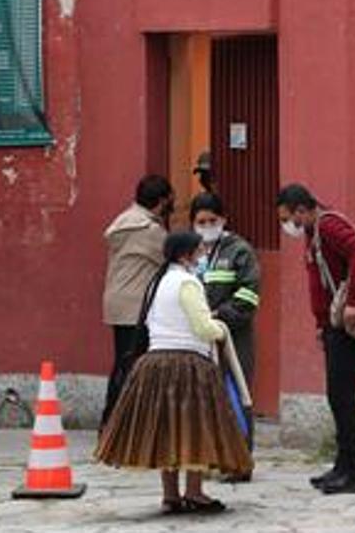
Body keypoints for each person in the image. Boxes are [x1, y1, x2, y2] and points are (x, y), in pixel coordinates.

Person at [95, 231, 253, 514]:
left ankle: (170, 495)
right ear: (185, 255)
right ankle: (194, 492)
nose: (204, 255)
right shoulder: (188, 283)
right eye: (200, 251)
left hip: (155, 364)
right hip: (188, 364)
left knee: (166, 429)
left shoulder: (159, 281)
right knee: (195, 428)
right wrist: (221, 329)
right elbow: (202, 327)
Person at [277, 183, 355, 495]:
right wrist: (320, 325)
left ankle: (352, 472)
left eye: (289, 217)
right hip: (333, 324)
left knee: (341, 395)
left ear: (302, 210)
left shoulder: (329, 226)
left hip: (347, 323)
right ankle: (341, 466)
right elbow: (321, 281)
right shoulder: (313, 233)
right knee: (337, 395)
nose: (289, 225)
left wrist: (354, 302)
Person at [190, 191, 261, 481]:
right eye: (201, 221)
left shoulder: (239, 251)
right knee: (203, 397)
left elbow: (249, 293)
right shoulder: (191, 252)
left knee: (235, 394)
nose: (207, 225)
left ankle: (240, 461)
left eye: (212, 220)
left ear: (223, 219)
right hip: (198, 336)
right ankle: (208, 457)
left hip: (234, 337)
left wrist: (221, 316)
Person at [100, 174, 173, 430]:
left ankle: (112, 422)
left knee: (122, 362)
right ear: (162, 201)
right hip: (136, 305)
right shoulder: (149, 231)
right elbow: (171, 257)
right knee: (133, 366)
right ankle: (117, 424)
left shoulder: (122, 222)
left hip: (117, 302)